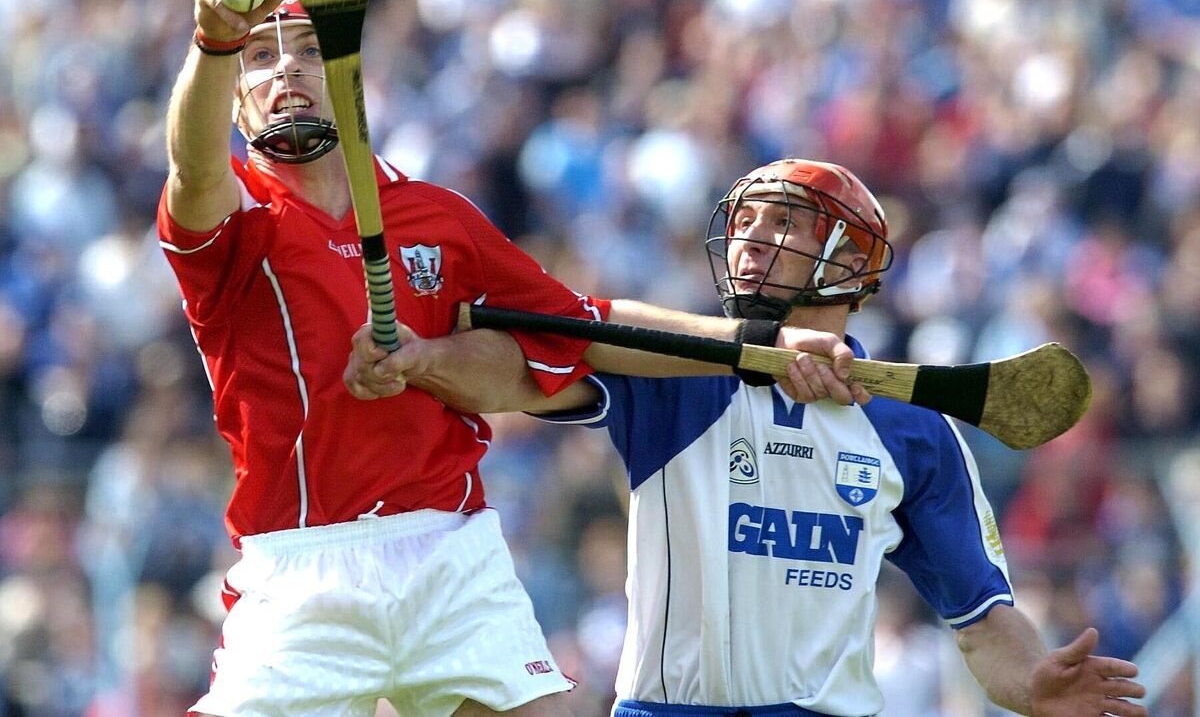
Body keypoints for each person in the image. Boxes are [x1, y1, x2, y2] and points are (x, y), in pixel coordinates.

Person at [161, 0, 857, 717]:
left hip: (448, 551)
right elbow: (193, 168)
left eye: (310, 51)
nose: (285, 70)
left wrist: (762, 349)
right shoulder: (235, 220)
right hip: (303, 568)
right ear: (236, 98)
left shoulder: (437, 217)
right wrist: (215, 38)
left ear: (349, 76)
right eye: (259, 58)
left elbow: (589, 324)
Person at [346, 159, 1148, 717]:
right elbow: (517, 378)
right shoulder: (671, 373)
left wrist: (1031, 682)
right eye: (744, 220)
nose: (752, 237)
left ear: (852, 260)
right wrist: (426, 361)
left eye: (785, 222)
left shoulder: (916, 430)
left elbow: (981, 618)